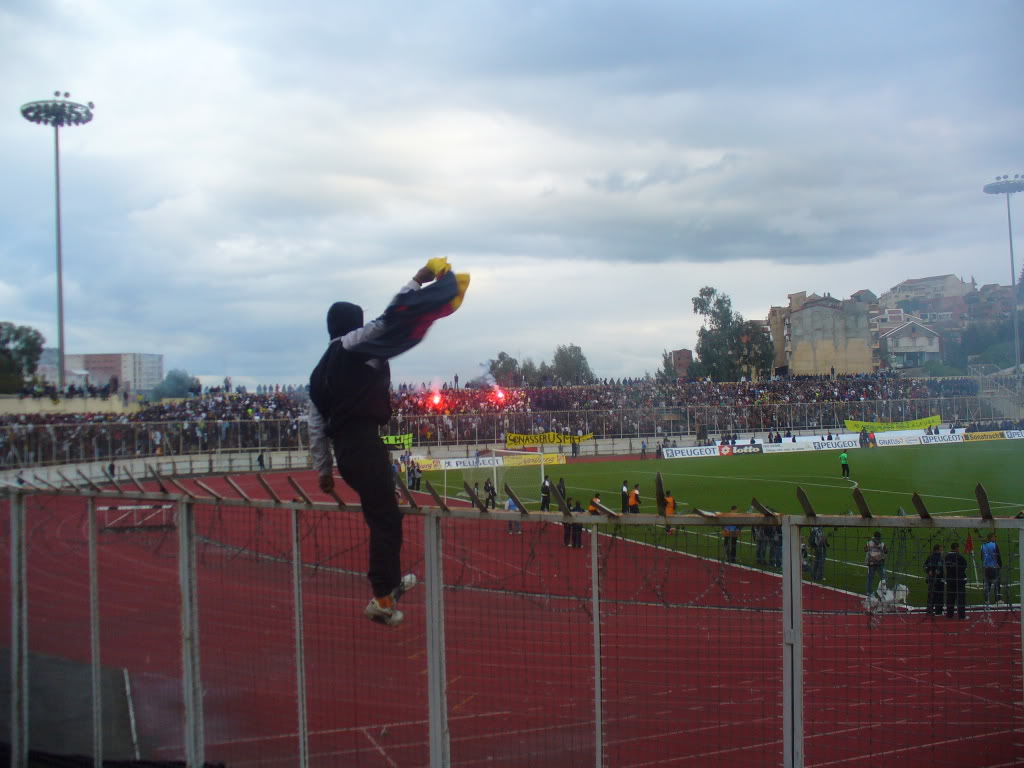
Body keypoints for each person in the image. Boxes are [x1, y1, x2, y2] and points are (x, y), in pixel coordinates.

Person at [309, 262, 467, 628]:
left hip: (350, 452)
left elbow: (316, 426)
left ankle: (392, 584)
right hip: (362, 444)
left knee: (381, 511)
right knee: (385, 519)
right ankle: (382, 597)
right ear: (353, 324)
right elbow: (390, 318)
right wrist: (419, 280)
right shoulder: (354, 345)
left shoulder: (317, 371)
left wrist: (324, 471)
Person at [944, 541, 968, 620]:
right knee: (960, 599)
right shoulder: (960, 557)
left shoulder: (946, 557)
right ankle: (962, 616)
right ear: (957, 548)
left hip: (950, 579)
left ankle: (949, 614)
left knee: (950, 598)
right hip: (959, 580)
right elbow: (964, 567)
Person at [924, 543, 945, 616]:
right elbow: (940, 569)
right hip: (938, 579)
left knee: (931, 594)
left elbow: (925, 566)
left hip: (931, 579)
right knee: (939, 595)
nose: (942, 551)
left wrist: (929, 571)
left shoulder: (930, 557)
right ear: (937, 550)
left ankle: (929, 610)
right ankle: (938, 611)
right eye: (941, 550)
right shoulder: (940, 558)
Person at [981, 533, 1002, 604]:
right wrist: (999, 565)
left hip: (986, 567)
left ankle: (987, 599)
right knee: (997, 583)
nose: (995, 538)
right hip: (994, 566)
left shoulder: (983, 545)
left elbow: (982, 557)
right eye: (994, 537)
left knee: (988, 583)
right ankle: (997, 599)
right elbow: (998, 556)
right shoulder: (995, 545)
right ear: (991, 538)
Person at [864, 531, 887, 595]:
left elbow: (865, 549)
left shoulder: (869, 543)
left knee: (870, 578)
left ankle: (868, 592)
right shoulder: (882, 544)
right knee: (883, 577)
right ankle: (884, 591)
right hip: (879, 563)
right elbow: (886, 551)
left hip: (871, 563)